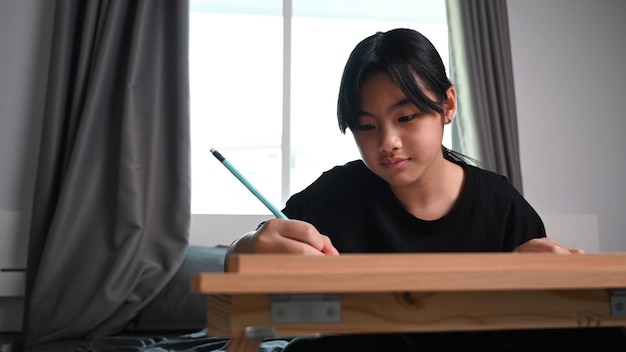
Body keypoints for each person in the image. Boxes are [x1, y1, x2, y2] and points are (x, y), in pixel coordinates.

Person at [224, 28, 625, 351]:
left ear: (447, 105)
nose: (388, 142)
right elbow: (242, 279)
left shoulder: (498, 203)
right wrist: (247, 248)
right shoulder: (335, 195)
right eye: (367, 126)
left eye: (406, 116)